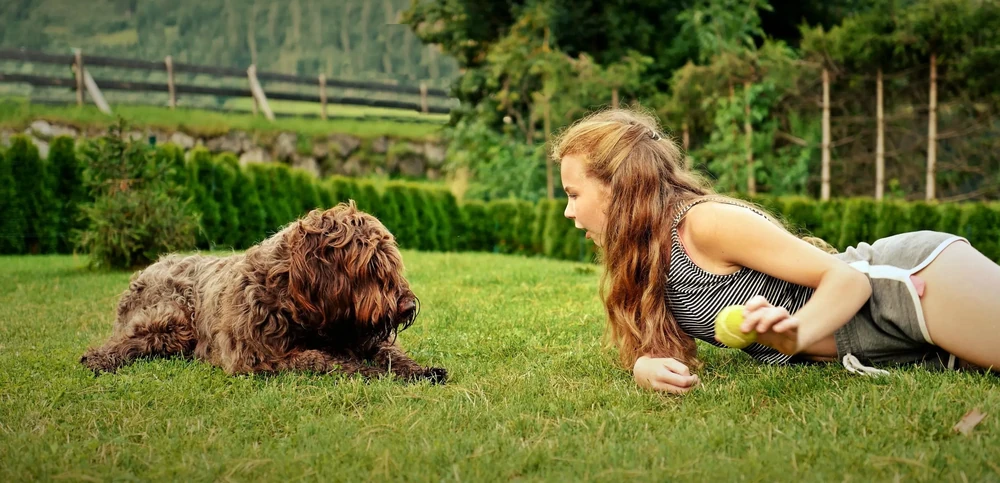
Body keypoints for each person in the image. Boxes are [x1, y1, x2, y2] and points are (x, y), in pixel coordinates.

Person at [552, 106, 1000, 394]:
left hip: (909, 285)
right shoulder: (648, 255)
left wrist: (797, 334)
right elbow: (659, 343)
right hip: (888, 341)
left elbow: (847, 279)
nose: (569, 212)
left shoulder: (702, 224)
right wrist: (645, 367)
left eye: (574, 194)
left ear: (619, 189)